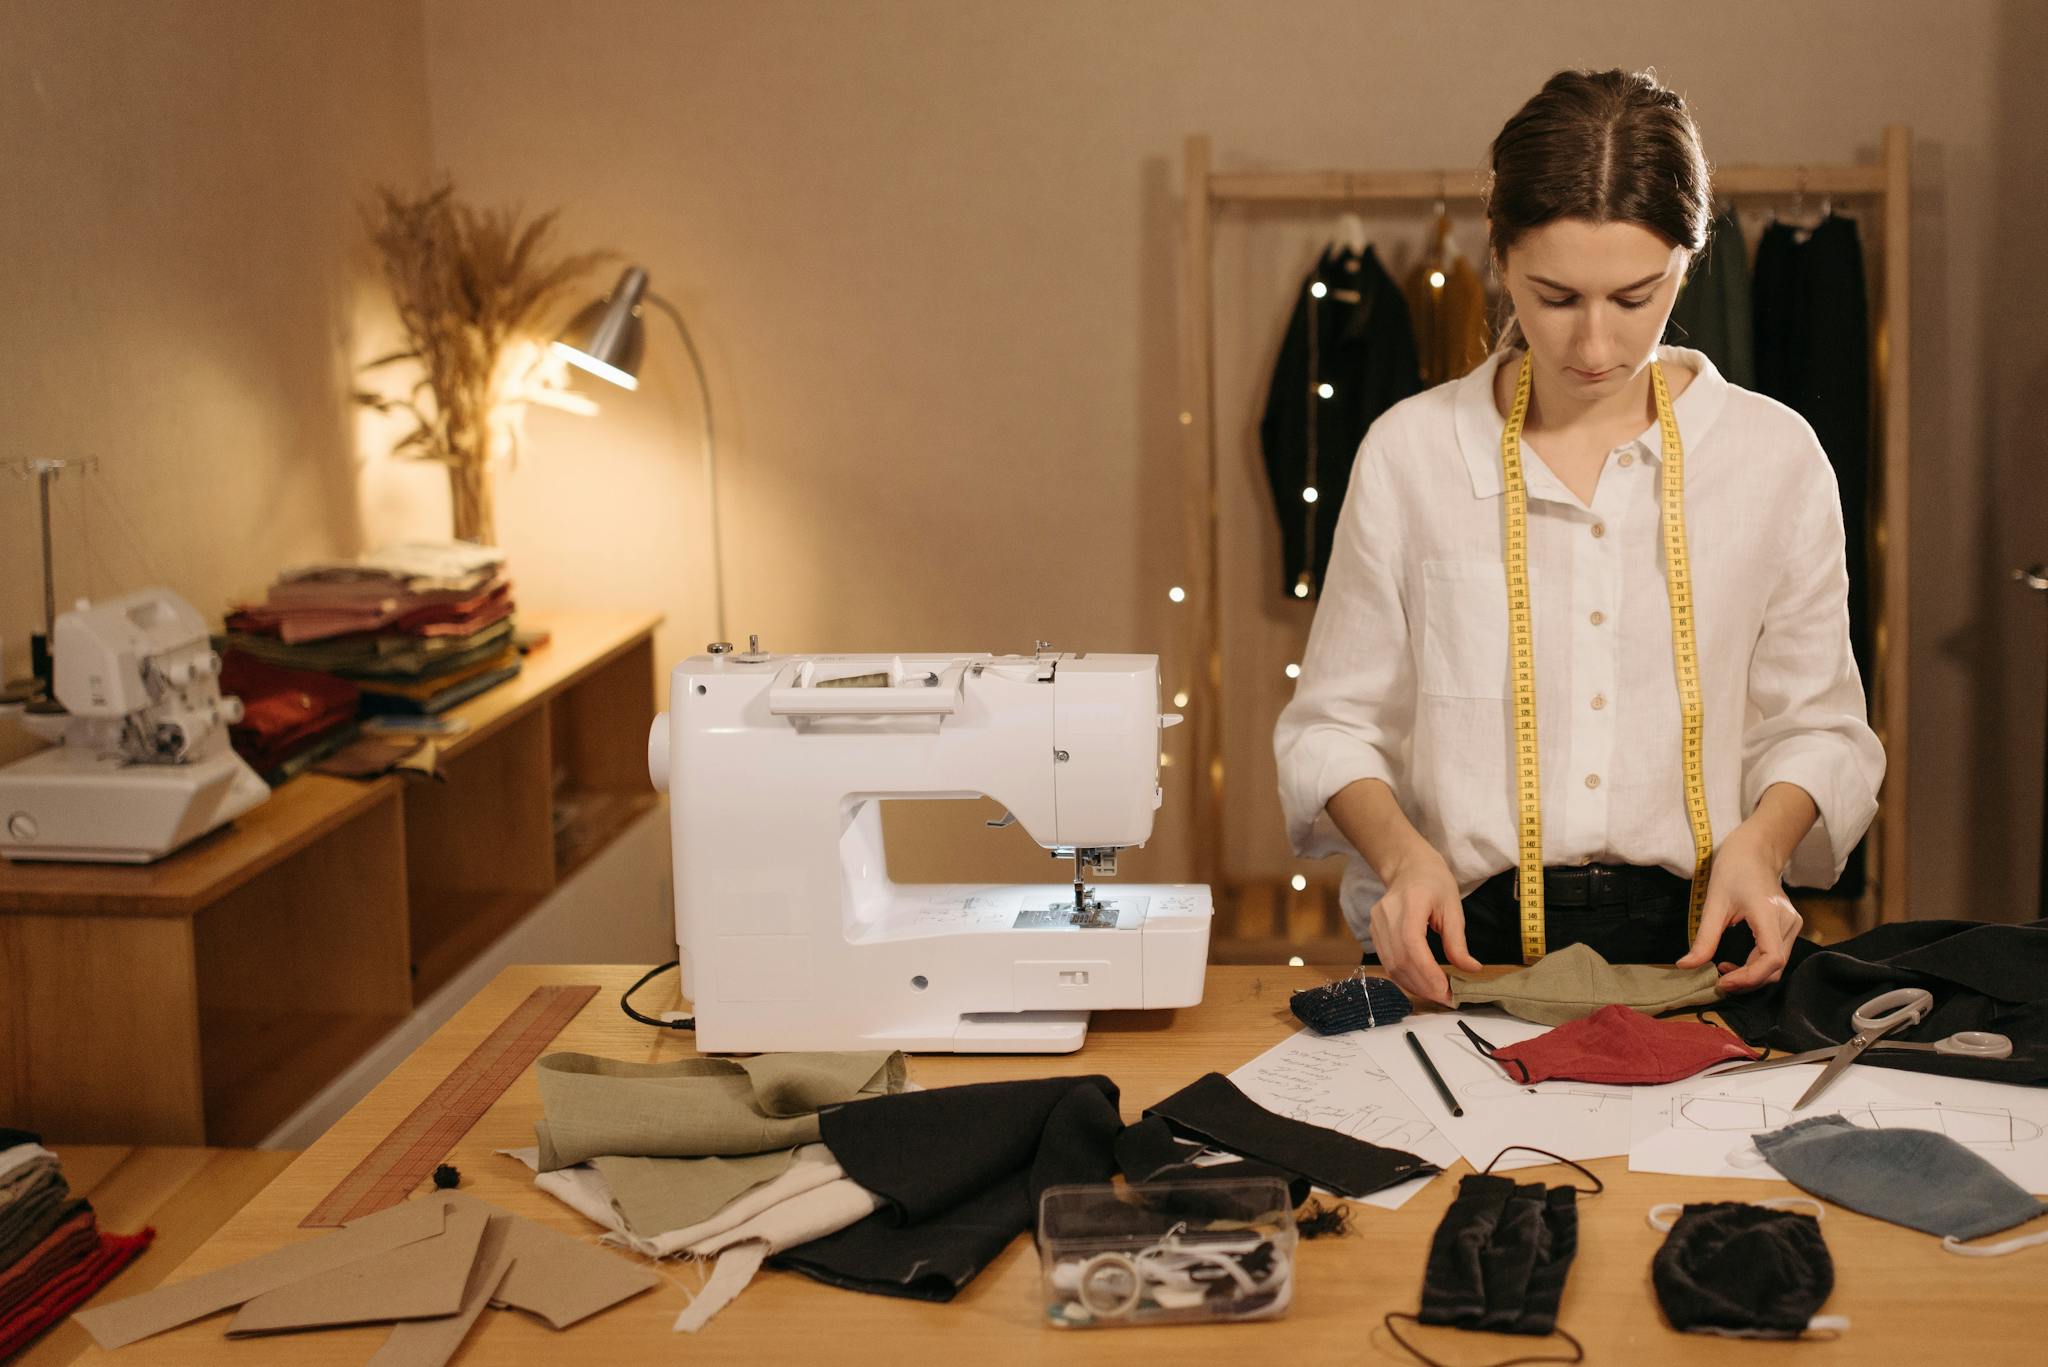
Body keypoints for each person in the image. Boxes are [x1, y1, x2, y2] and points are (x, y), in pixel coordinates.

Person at [1272, 68, 1884, 1007]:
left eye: (1636, 298)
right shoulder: (1411, 454)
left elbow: (1821, 726)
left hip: (1703, 962)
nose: (1595, 345)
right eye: (1554, 297)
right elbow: (1334, 726)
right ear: (1500, 255)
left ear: (1689, 258)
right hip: (1459, 959)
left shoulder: (1775, 458)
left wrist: (1761, 847)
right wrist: (1400, 856)